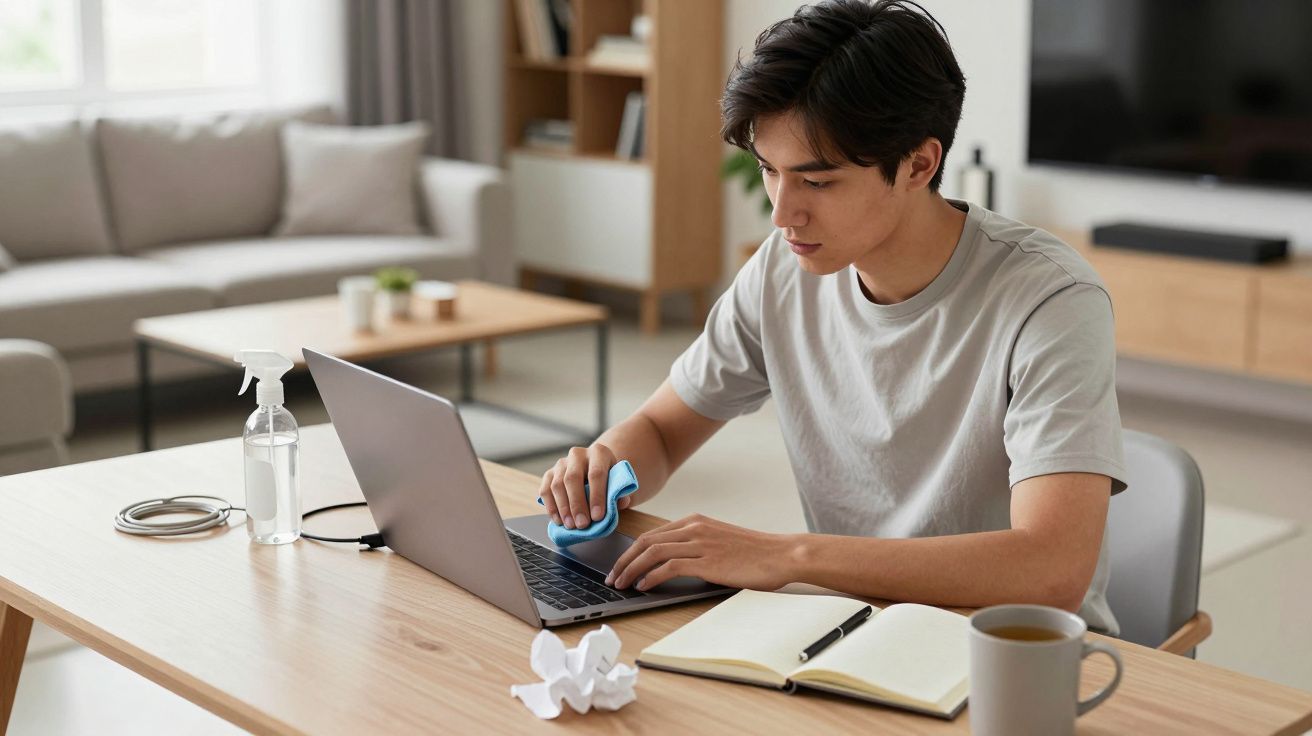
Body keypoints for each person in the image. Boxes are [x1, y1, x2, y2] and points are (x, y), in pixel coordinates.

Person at [536, 0, 1126, 633]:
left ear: (919, 164)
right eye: (769, 171)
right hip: (856, 630)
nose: (782, 214)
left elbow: (1052, 568)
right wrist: (603, 468)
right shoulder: (782, 270)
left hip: (1015, 651)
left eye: (817, 183)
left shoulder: (1050, 300)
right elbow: (659, 428)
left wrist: (788, 556)